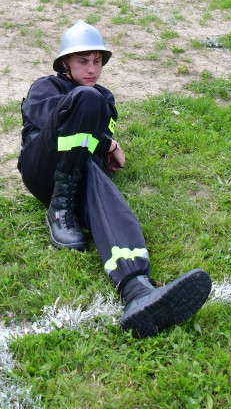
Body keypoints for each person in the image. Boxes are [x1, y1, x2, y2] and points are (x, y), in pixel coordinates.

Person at [19, 20, 212, 338]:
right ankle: (58, 209)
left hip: (80, 171)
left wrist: (101, 144)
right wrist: (109, 143)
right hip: (42, 170)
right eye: (83, 60)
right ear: (65, 62)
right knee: (87, 101)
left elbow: (88, 142)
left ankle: (136, 289)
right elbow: (50, 126)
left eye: (98, 61)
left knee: (99, 182)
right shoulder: (46, 87)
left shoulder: (102, 97)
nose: (92, 68)